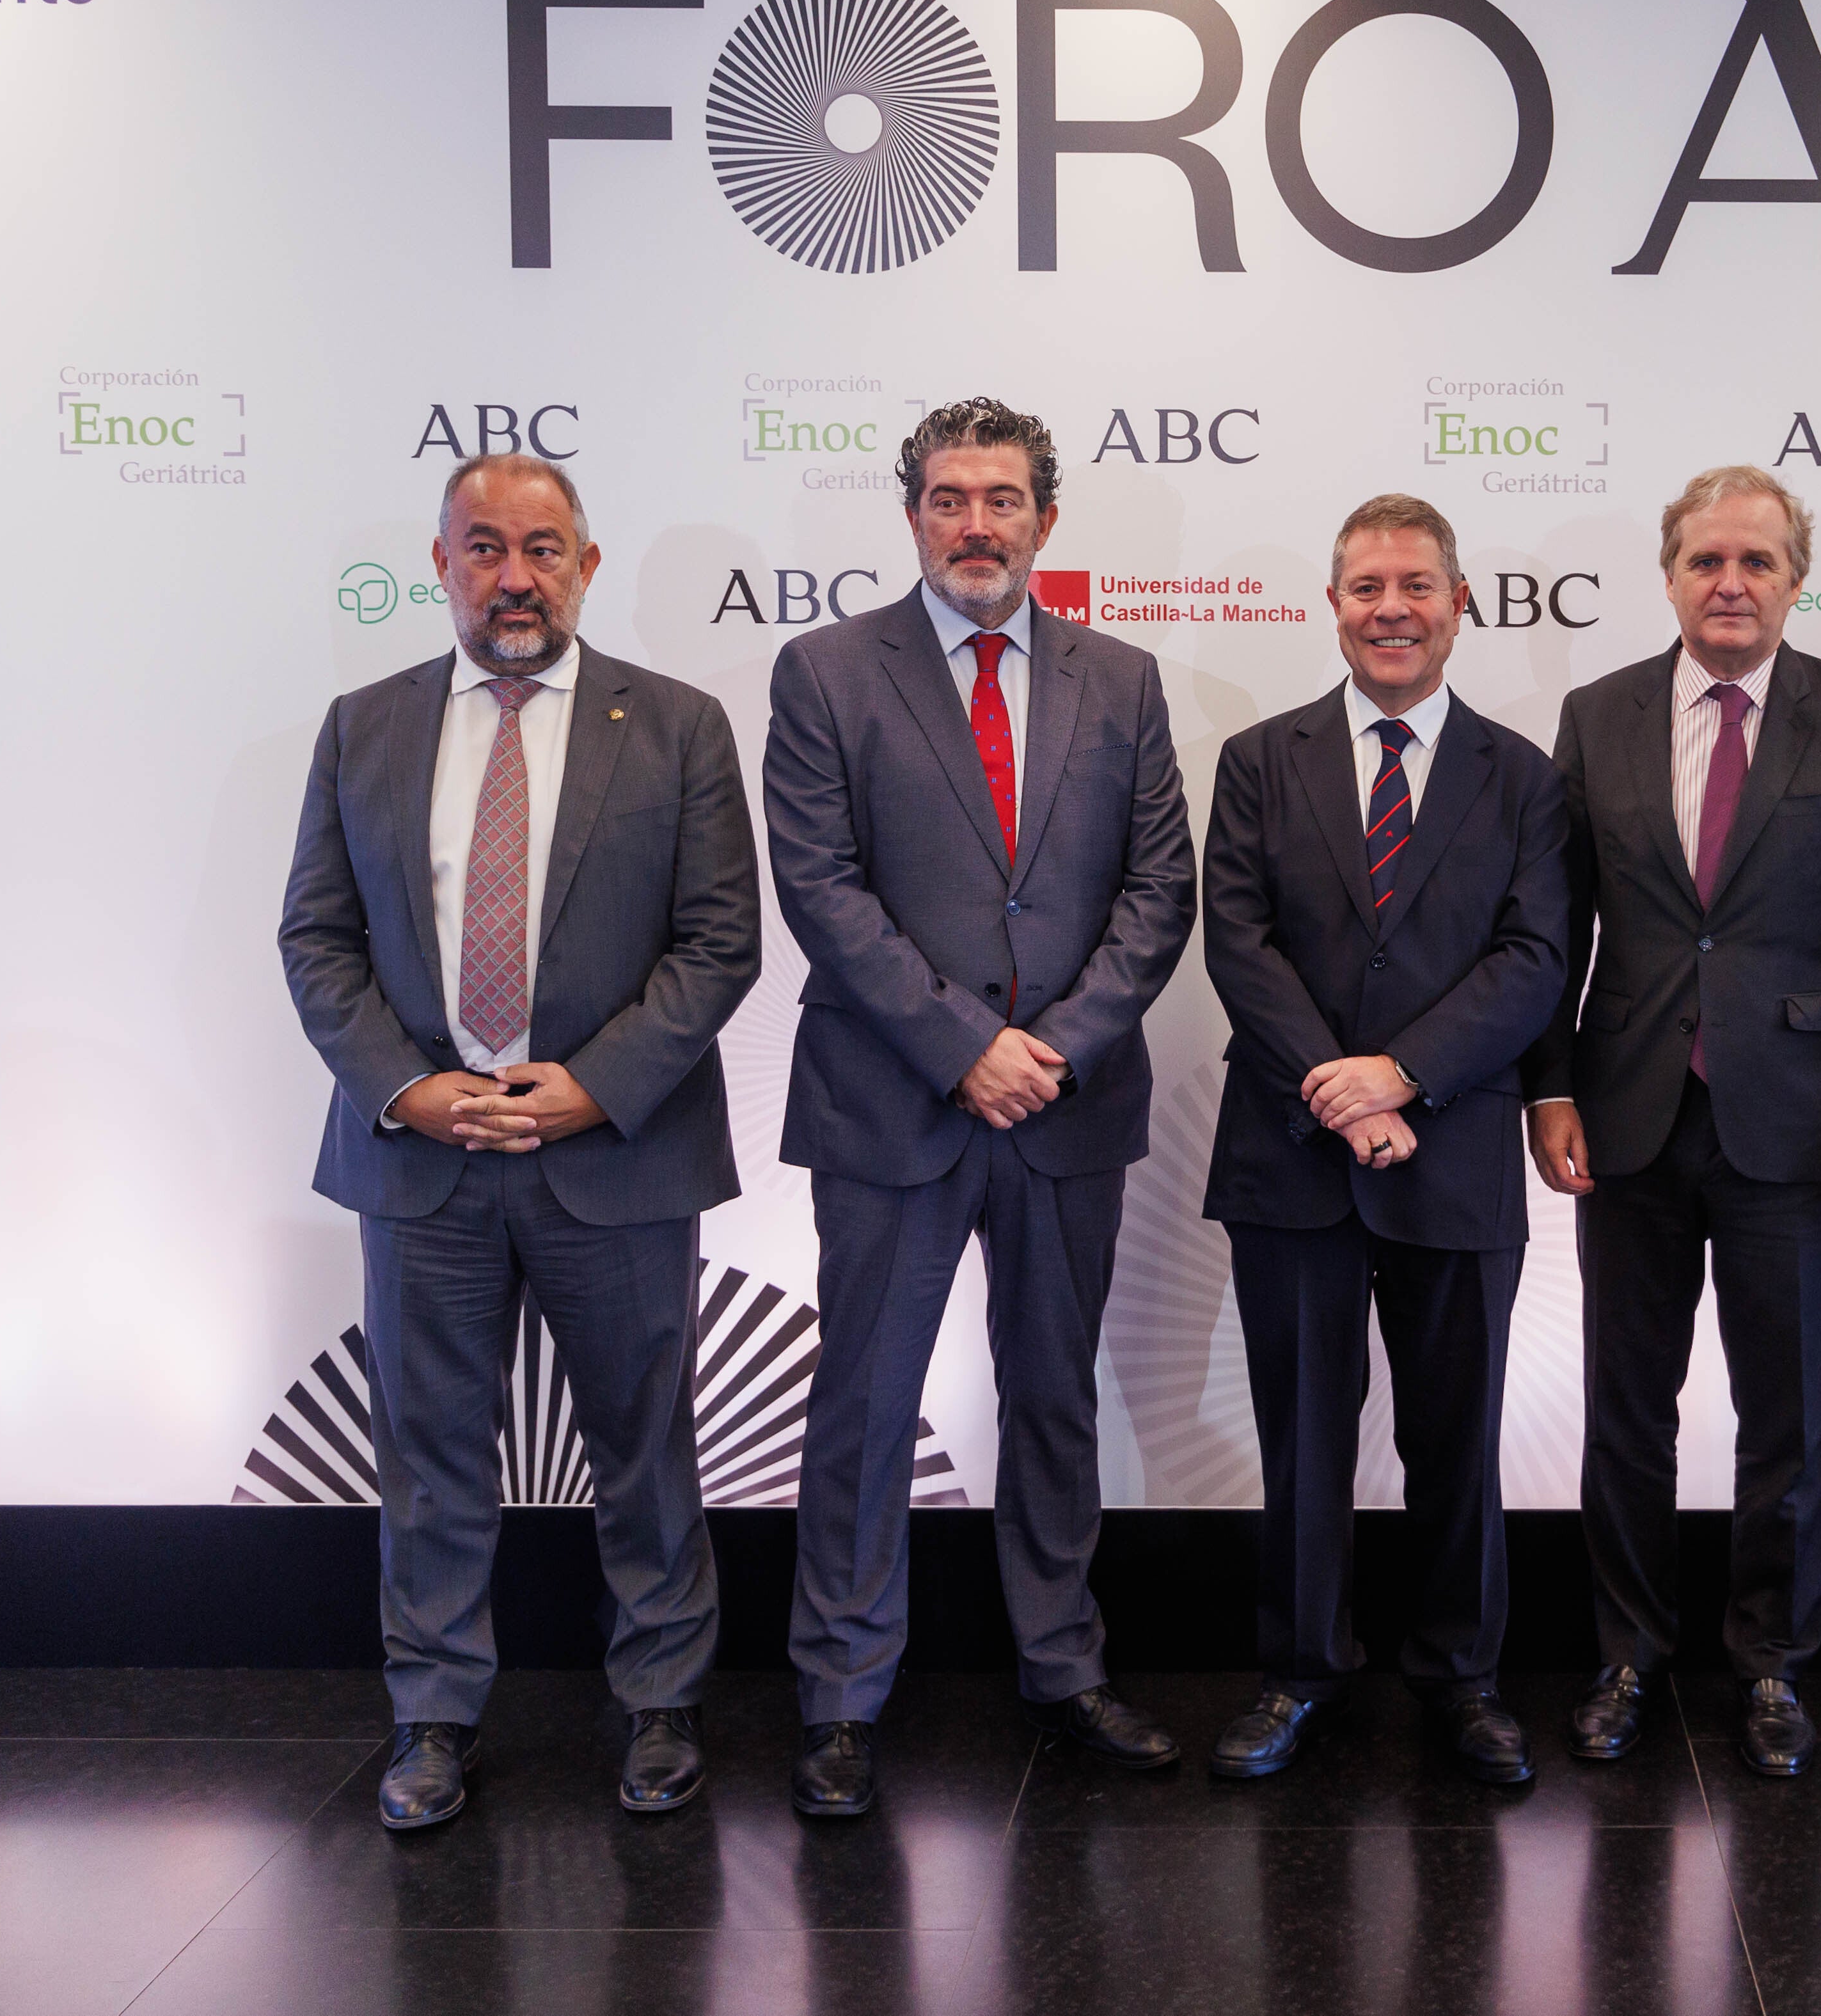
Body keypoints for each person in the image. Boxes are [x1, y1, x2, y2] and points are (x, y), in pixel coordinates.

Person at [280, 453, 760, 1830]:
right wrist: (408, 1087)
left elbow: (721, 939)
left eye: (542, 549)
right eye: (483, 548)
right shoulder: (360, 726)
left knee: (644, 1441)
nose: (514, 577)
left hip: (615, 1151)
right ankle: (432, 1716)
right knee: (430, 1449)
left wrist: (593, 1085)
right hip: (423, 1157)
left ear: (587, 567)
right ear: (439, 565)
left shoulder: (672, 725)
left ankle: (661, 1701)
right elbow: (317, 937)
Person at [764, 397, 1197, 1815]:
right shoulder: (824, 673)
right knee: (864, 1405)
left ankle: (1062, 1666)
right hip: (892, 1101)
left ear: (1044, 520)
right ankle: (838, 1693)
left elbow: (1156, 892)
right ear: (910, 517)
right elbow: (822, 892)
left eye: (1000, 497)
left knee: (1053, 1395)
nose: (973, 522)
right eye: (947, 496)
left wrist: (1051, 1047)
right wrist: (966, 1046)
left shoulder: (1121, 680)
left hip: (1065, 1106)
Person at [1523, 464, 1821, 1779]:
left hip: (1799, 1125)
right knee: (1622, 1411)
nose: (1730, 583)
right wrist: (1546, 1087)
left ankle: (1770, 1663)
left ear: (1794, 580)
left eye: (1757, 561)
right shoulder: (1594, 717)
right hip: (1629, 1119)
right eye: (1706, 559)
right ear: (1667, 575)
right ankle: (1628, 1654)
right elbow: (1551, 930)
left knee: (1787, 1419)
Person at [1196, 494, 1570, 1786]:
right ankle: (1299, 1669)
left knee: (1457, 1437)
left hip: (1454, 1154)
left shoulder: (1523, 776)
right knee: (1299, 1436)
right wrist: (1339, 1092)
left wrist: (1402, 1077)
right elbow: (1235, 943)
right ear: (1334, 607)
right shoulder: (1257, 759)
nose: (1391, 608)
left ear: (1460, 601)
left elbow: (1535, 960)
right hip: (1288, 1159)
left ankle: (1463, 1677)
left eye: (1415, 584)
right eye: (1365, 587)